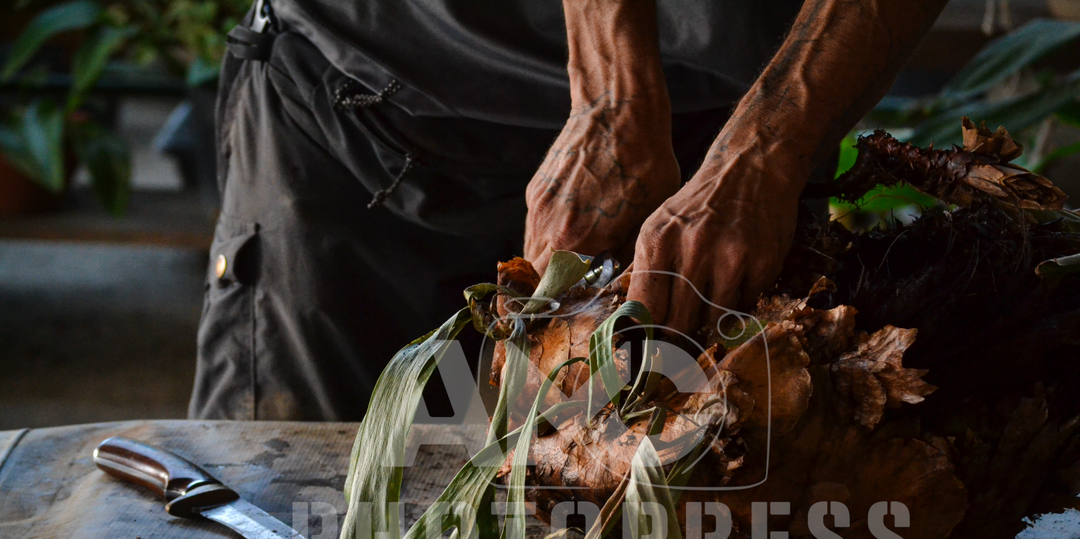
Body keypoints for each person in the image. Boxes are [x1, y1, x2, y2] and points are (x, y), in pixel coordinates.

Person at [189, 0, 949, 422]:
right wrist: (614, 97)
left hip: (727, 126)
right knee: (298, 515)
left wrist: (765, 150)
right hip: (378, 105)